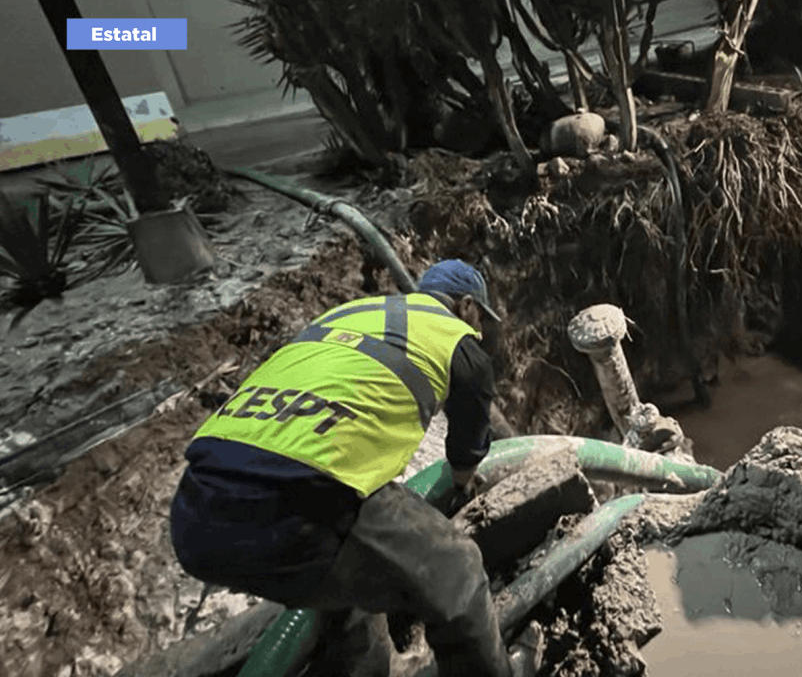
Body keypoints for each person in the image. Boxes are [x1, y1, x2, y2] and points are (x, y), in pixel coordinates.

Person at [169, 259, 533, 677]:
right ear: (467, 307)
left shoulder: (348, 314)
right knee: (458, 570)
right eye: (481, 319)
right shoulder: (456, 340)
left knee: (350, 598)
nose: (481, 330)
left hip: (194, 514)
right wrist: (463, 482)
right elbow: (468, 443)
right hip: (300, 504)